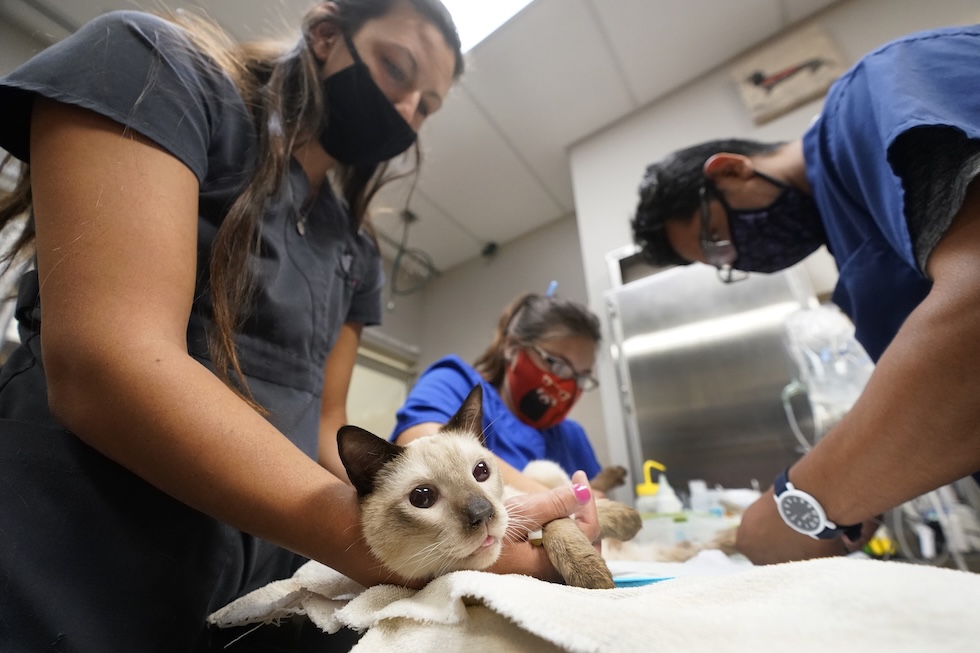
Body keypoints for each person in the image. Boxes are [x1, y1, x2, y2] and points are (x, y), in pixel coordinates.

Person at [0, 2, 601, 650]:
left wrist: (451, 525)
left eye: (427, 106)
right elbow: (105, 359)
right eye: (397, 70)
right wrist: (398, 549)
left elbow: (324, 427)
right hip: (73, 552)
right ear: (324, 34)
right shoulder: (154, 66)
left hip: (259, 585)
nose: (406, 111)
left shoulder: (355, 254)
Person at [630, 23, 980, 566]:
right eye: (723, 264)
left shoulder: (871, 95)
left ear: (730, 169)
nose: (738, 258)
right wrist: (869, 481)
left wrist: (807, 499)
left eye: (717, 240)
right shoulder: (850, 248)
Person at [392, 291, 611, 494]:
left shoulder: (573, 437)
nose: (568, 386)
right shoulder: (456, 382)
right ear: (512, 347)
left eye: (581, 377)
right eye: (557, 365)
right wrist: (569, 503)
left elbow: (601, 504)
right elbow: (424, 450)